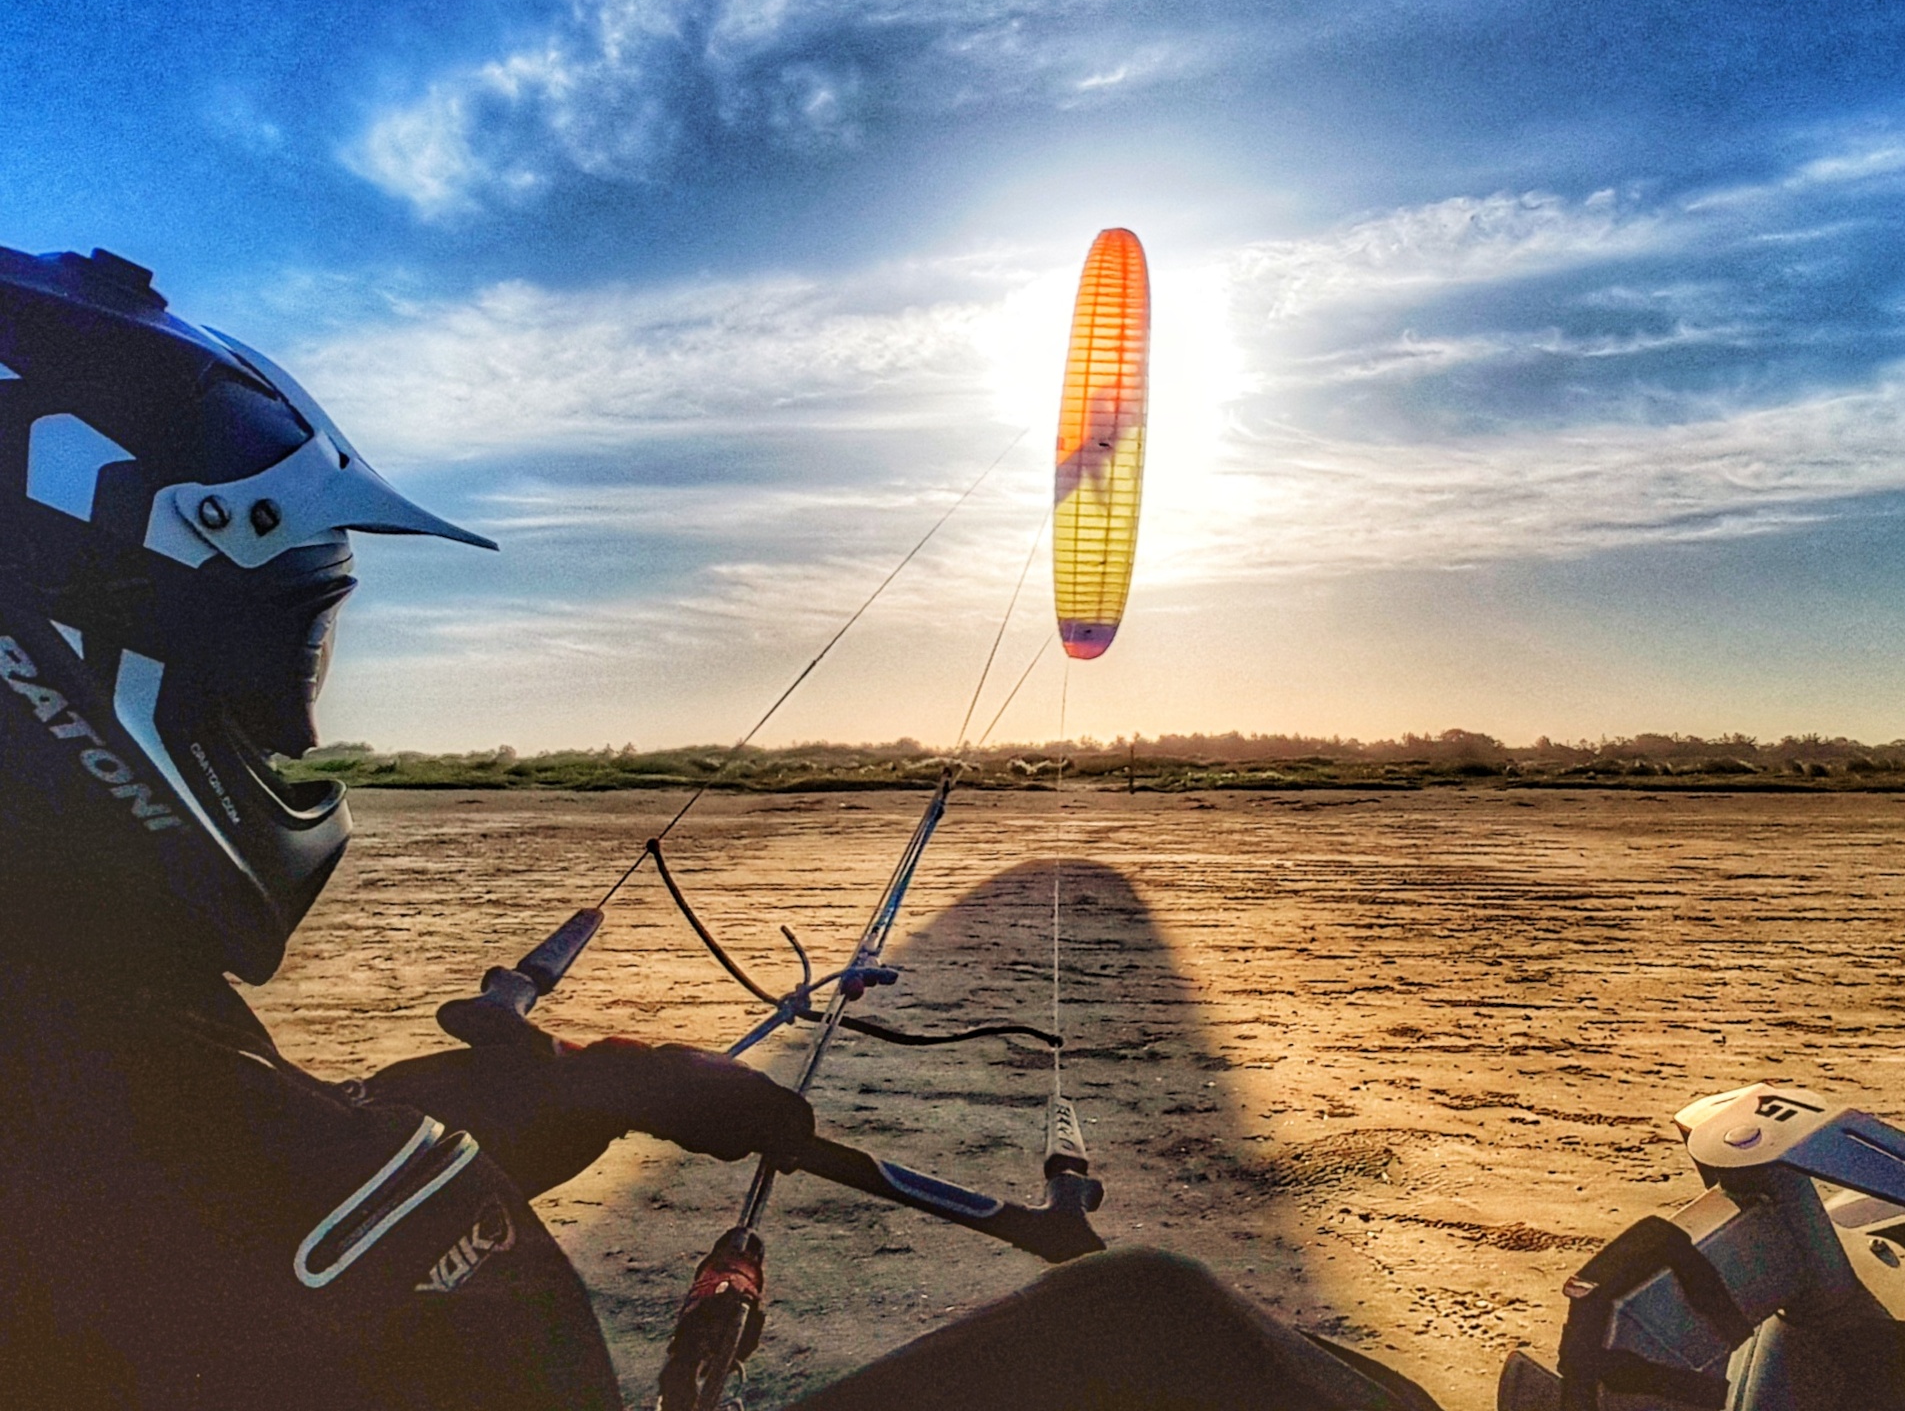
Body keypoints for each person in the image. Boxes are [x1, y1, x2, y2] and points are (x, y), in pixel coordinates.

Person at [0, 245, 1439, 1411]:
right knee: (1161, 1331)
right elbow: (220, 1194)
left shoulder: (97, 1057)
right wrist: (437, 1168)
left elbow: (170, 1150)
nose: (297, 730)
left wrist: (568, 1083)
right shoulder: (317, 1234)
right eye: (277, 655)